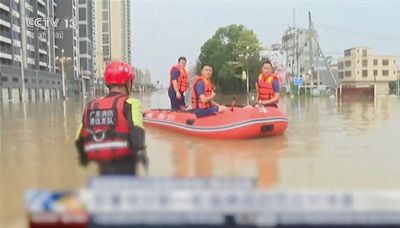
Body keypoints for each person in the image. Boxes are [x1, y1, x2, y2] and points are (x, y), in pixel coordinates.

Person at [75, 61, 147, 175]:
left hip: (102, 163)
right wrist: (141, 152)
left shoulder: (91, 105)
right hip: (125, 163)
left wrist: (83, 158)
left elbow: (79, 138)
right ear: (127, 83)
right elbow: (137, 129)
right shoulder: (131, 103)